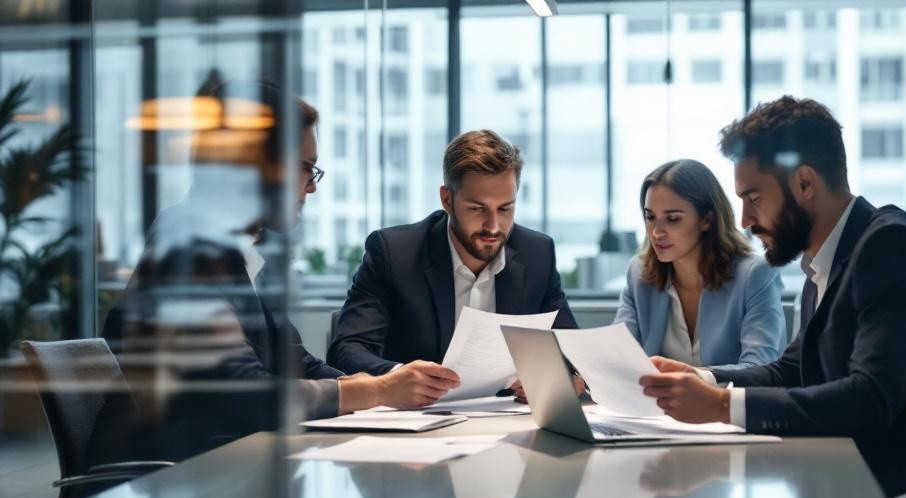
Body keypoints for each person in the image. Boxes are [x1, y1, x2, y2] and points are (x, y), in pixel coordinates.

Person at [637, 96, 906, 498]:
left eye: (753, 198)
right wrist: (702, 377)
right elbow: (793, 368)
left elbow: (871, 399)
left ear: (804, 183)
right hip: (866, 497)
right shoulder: (830, 261)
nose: (746, 221)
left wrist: (716, 407)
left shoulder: (894, 248)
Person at [99, 80, 455, 462]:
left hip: (228, 471)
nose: (311, 188)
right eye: (306, 168)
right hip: (178, 486)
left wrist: (378, 385)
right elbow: (242, 394)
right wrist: (379, 392)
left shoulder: (234, 253)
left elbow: (294, 360)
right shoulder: (185, 252)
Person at [328, 129, 578, 396]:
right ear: (447, 199)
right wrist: (395, 377)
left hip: (506, 420)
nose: (493, 227)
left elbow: (571, 349)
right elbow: (347, 349)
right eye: (477, 208)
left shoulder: (536, 253)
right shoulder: (394, 253)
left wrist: (566, 377)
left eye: (505, 208)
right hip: (417, 421)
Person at [614, 158, 785, 371]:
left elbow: (759, 367)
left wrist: (691, 380)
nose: (656, 232)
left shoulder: (755, 274)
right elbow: (618, 357)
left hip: (726, 403)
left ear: (707, 220)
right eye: (650, 217)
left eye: (673, 219)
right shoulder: (639, 273)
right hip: (654, 403)